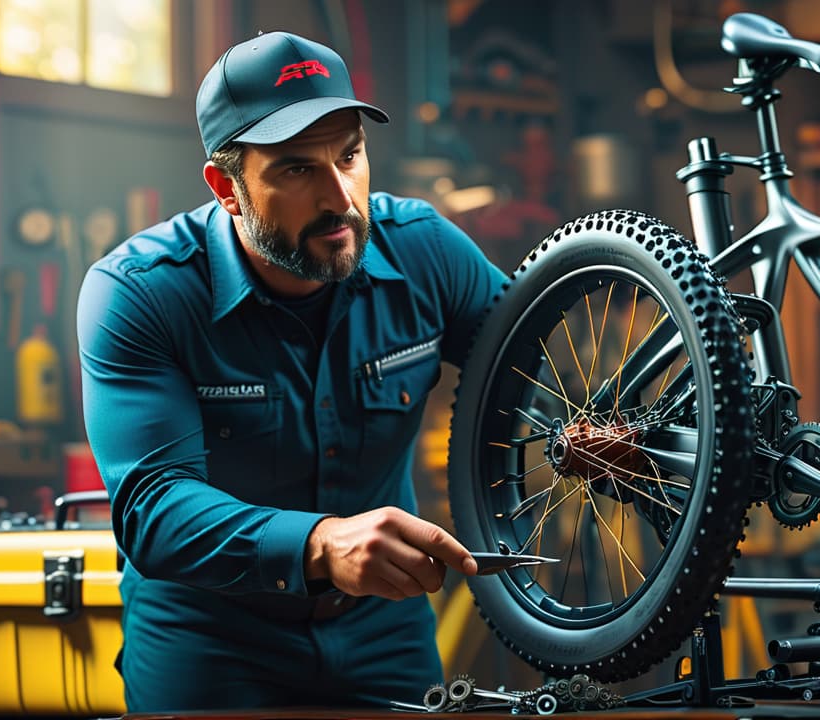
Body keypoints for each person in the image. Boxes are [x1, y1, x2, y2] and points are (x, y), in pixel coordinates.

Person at [76, 30, 505, 712]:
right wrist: (318, 541)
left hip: (383, 628)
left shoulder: (425, 251)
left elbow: (538, 364)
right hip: (210, 633)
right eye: (297, 170)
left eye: (350, 155)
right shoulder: (139, 293)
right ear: (227, 187)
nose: (340, 197)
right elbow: (152, 510)